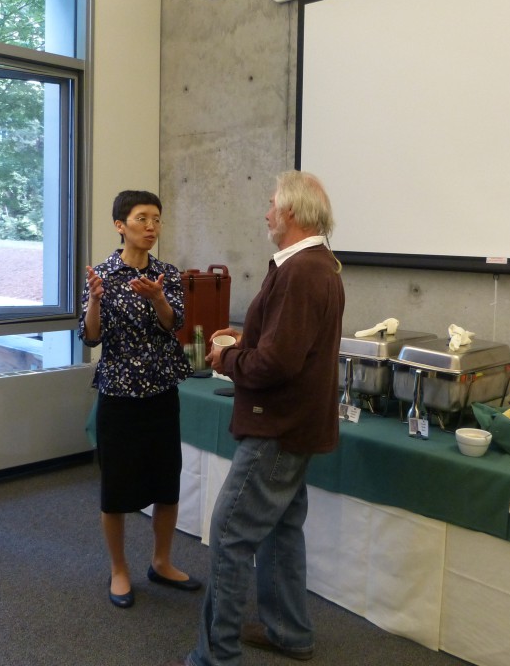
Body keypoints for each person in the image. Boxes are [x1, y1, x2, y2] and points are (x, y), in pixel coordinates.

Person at [162, 170, 345, 666]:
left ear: (291, 212)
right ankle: (289, 632)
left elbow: (278, 364)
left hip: (277, 428)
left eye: (271, 205)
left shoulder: (301, 271)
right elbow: (291, 346)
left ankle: (216, 656)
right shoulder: (317, 265)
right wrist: (250, 340)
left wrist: (227, 358)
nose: (266, 214)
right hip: (295, 425)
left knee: (229, 535)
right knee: (281, 530)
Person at [78, 189, 199, 609]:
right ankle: (119, 569)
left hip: (161, 391)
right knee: (116, 488)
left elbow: (174, 324)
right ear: (120, 225)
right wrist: (95, 301)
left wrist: (158, 298)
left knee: (167, 483)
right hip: (119, 395)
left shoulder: (167, 273)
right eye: (142, 218)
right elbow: (91, 337)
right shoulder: (102, 275)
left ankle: (161, 562)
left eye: (157, 219)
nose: (151, 227)